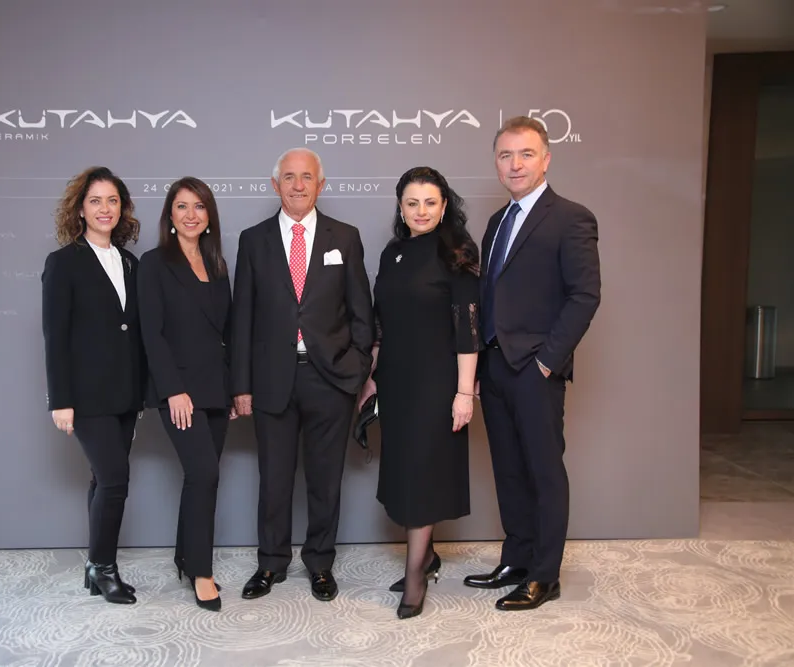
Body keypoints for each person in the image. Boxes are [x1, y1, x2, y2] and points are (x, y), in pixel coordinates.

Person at [467, 116, 601, 610]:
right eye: (506, 155)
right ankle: (517, 559)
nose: (515, 164)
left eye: (526, 153)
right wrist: (479, 365)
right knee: (508, 470)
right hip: (495, 367)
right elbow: (489, 295)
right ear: (496, 163)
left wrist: (548, 361)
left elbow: (585, 296)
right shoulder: (496, 223)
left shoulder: (571, 218)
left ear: (546, 159)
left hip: (535, 369)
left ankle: (545, 575)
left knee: (543, 472)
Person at [231, 147, 374, 602]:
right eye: (289, 177)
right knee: (273, 479)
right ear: (276, 185)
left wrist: (356, 370)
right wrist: (241, 385)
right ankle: (271, 563)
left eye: (306, 177)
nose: (298, 185)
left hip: (330, 379)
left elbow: (362, 312)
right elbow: (242, 319)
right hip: (272, 379)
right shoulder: (253, 240)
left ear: (320, 184)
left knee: (325, 479)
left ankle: (320, 563)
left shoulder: (345, 237)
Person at [357, 166, 481, 619]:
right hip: (396, 381)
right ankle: (427, 557)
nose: (421, 211)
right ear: (401, 207)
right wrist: (372, 376)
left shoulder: (457, 252)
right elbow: (382, 323)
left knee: (423, 475)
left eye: (430, 202)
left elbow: (469, 329)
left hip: (437, 382)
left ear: (444, 206)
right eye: (412, 203)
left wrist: (464, 393)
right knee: (404, 472)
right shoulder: (393, 252)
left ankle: (415, 576)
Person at [41, 166, 146, 605]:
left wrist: (142, 393)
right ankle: (105, 568)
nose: (105, 209)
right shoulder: (64, 262)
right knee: (115, 479)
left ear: (122, 208)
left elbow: (134, 332)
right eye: (96, 201)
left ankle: (93, 565)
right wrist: (61, 400)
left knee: (102, 480)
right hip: (86, 397)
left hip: (126, 394)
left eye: (113, 200)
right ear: (81, 209)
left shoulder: (130, 263)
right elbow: (55, 336)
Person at [137, 177, 236, 612]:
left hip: (215, 388)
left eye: (199, 206)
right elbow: (152, 334)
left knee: (202, 477)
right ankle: (201, 571)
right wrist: (173, 390)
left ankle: (184, 556)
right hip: (179, 390)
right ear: (170, 215)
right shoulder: (154, 263)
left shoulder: (217, 264)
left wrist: (233, 390)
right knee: (204, 474)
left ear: (209, 215)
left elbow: (227, 333)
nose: (191, 214)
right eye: (182, 206)